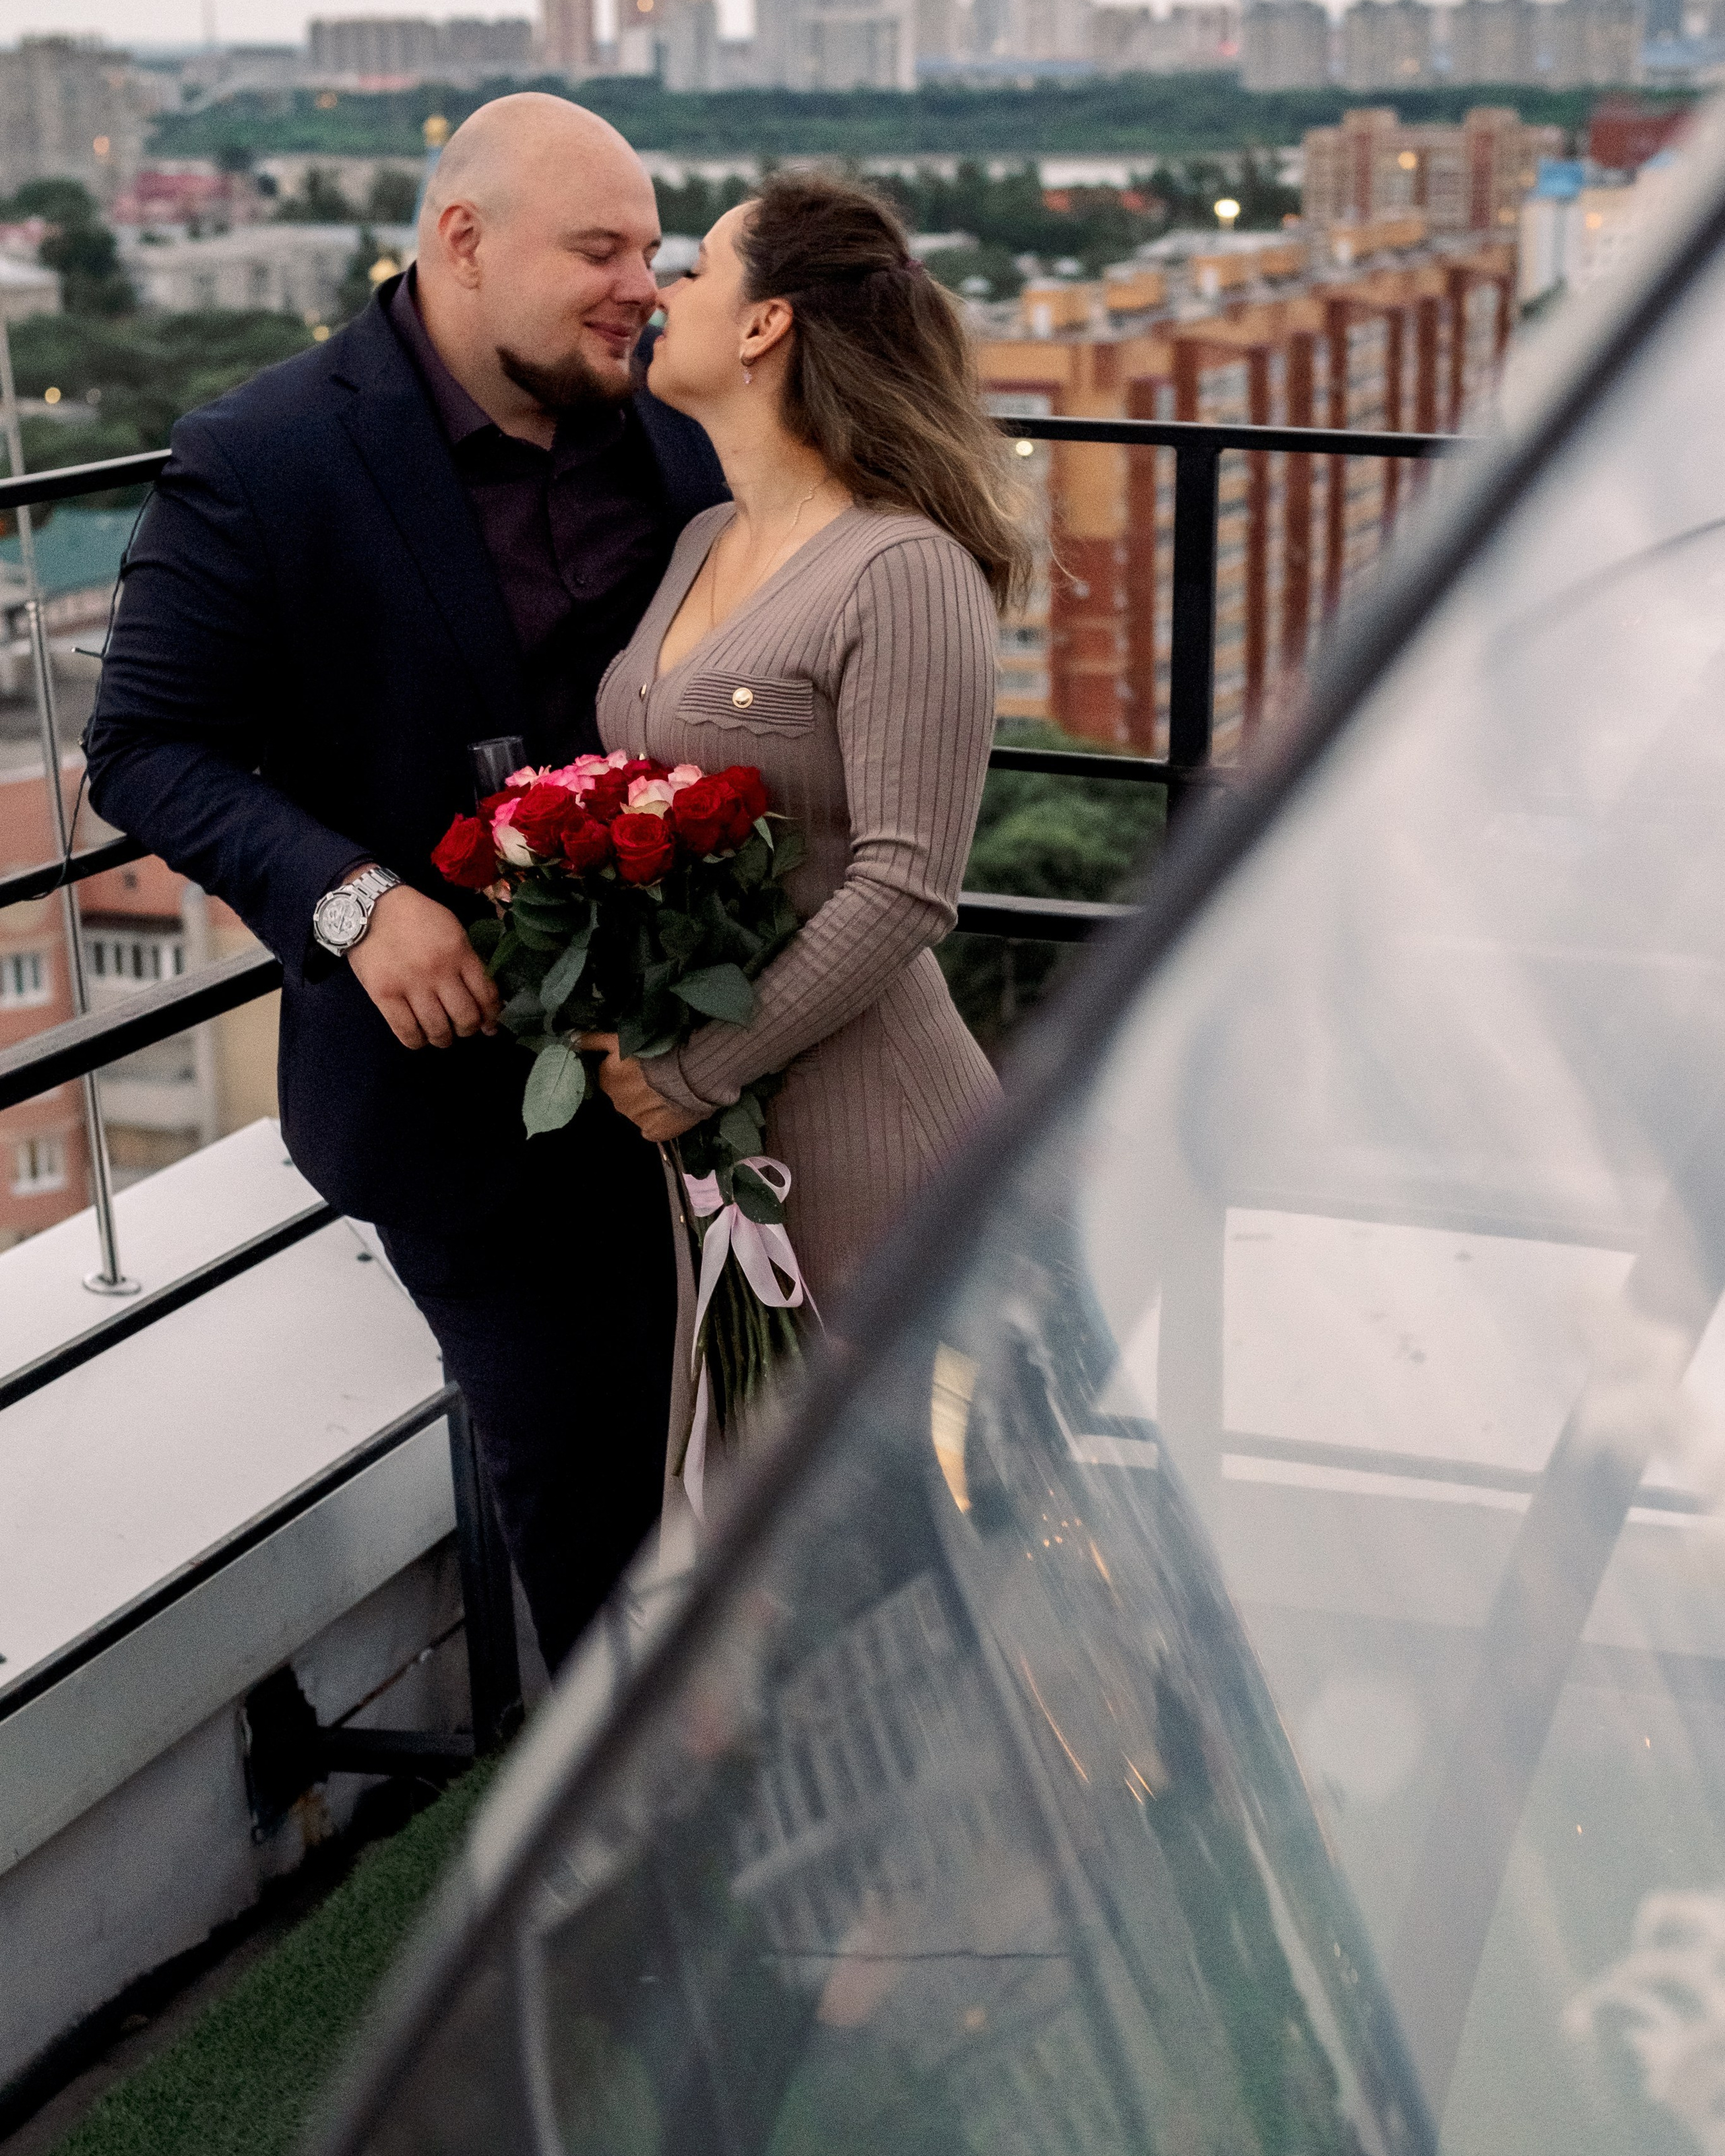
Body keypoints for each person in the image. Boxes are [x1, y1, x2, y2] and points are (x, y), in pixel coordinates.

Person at [82, 96, 728, 1672]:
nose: (637, 285)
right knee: (590, 1520)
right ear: (461, 241)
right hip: (463, 1113)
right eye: (597, 249)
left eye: (648, 252)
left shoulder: (676, 428)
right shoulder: (266, 451)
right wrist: (355, 901)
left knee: (748, 1466)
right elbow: (142, 746)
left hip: (706, 1067)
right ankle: (631, 1868)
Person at [583, 174, 1030, 1445]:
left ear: (766, 325)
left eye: (697, 268)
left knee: (890, 1542)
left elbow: (903, 888)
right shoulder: (704, 540)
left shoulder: (903, 567)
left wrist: (693, 1067)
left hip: (877, 1142)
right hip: (729, 1153)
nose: (664, 291)